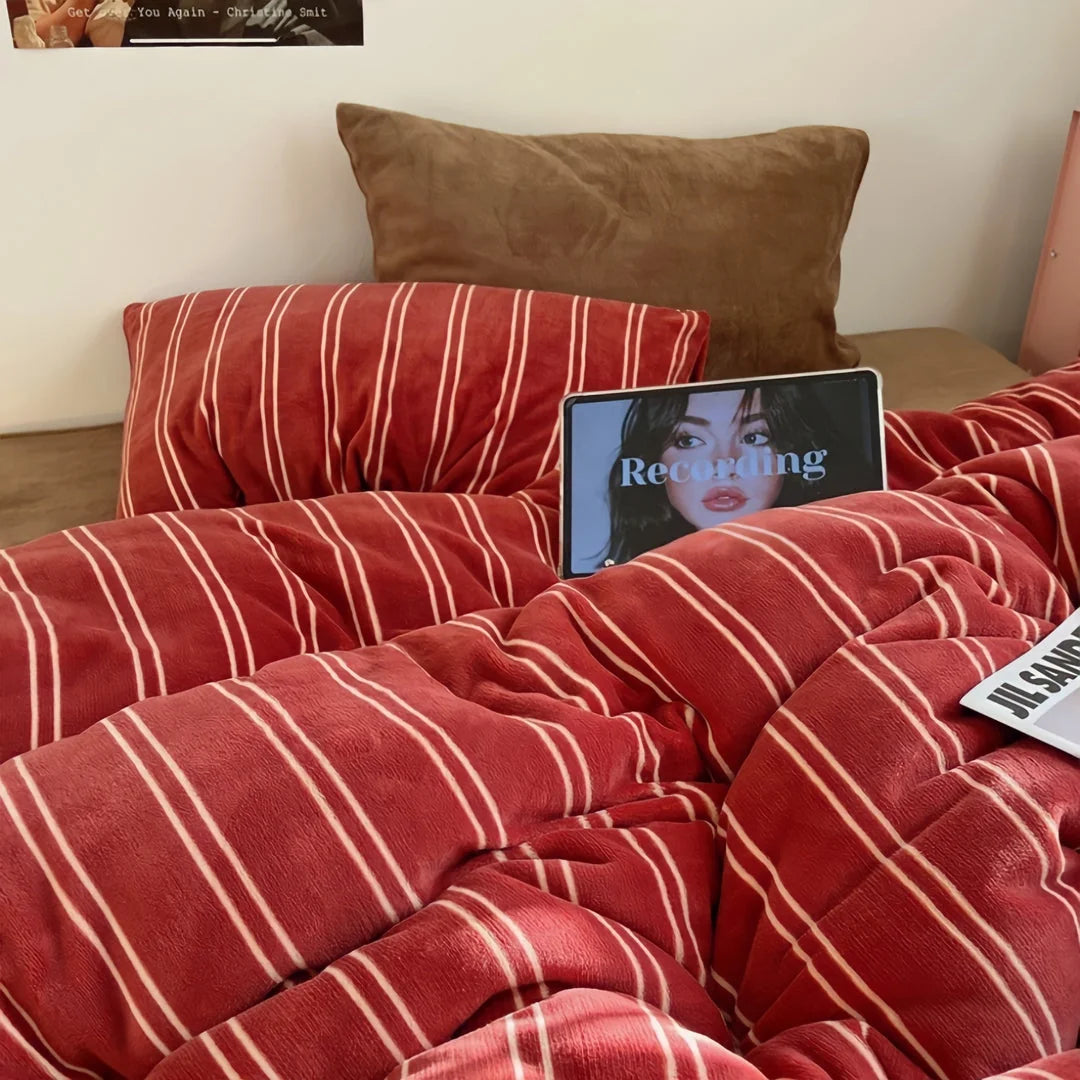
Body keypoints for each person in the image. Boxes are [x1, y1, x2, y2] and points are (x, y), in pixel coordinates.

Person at [602, 382, 878, 566]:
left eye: (755, 437)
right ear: (653, 461)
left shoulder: (845, 558)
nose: (724, 463)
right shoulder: (624, 583)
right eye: (688, 440)